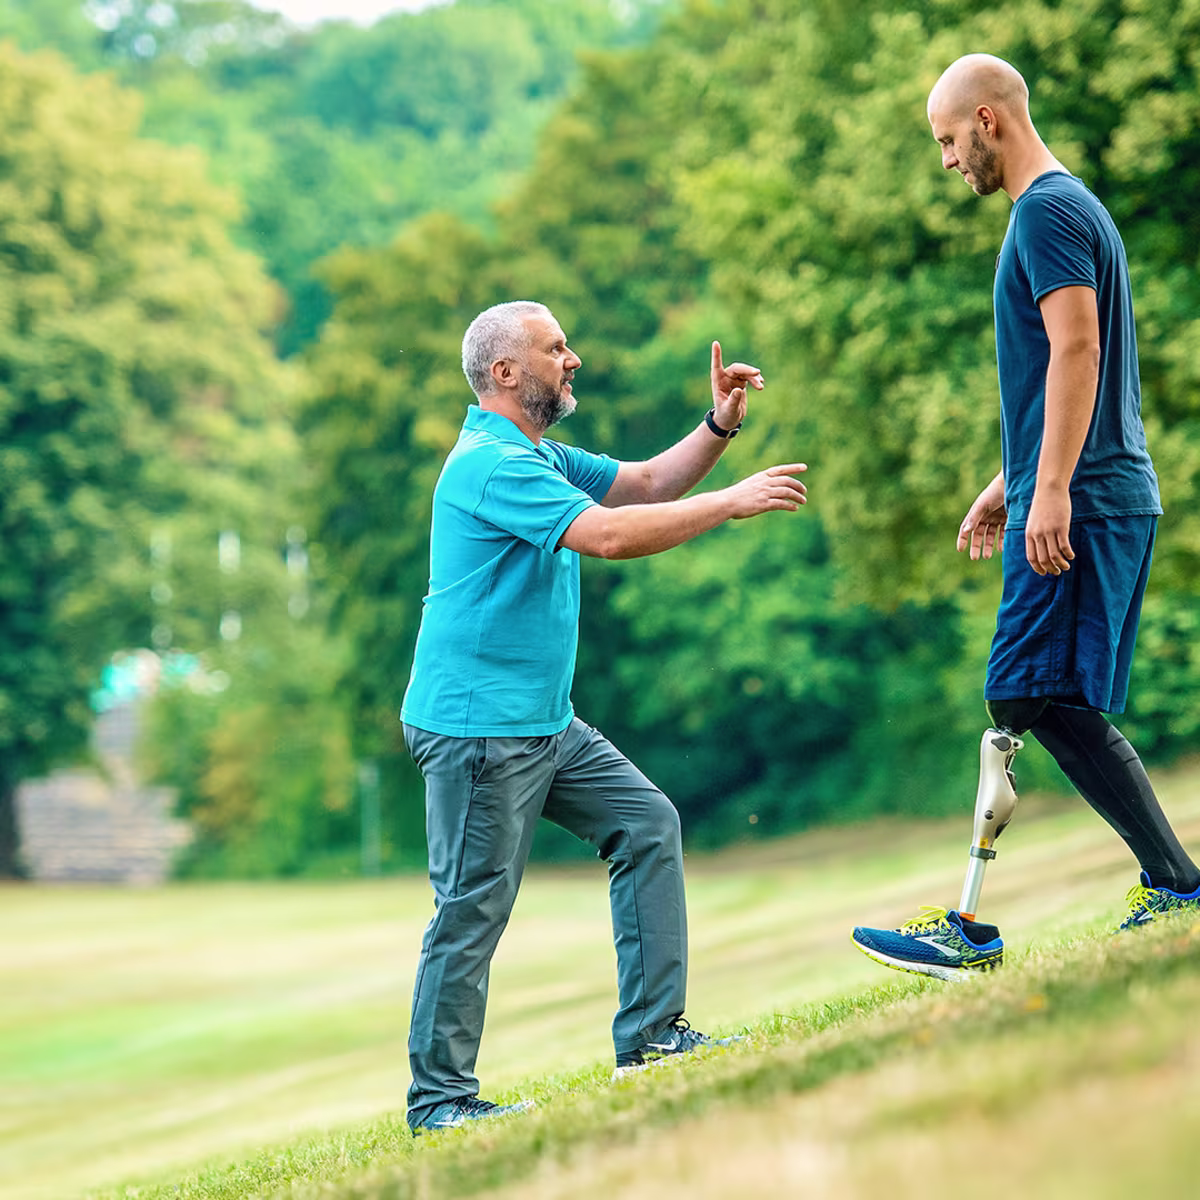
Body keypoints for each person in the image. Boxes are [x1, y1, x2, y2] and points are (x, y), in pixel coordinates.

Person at [400, 300, 808, 1132]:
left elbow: (648, 483)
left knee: (646, 823)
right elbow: (613, 536)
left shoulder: (539, 455)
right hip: (478, 729)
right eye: (556, 348)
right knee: (473, 903)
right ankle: (439, 1102)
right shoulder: (488, 464)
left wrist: (718, 425)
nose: (573, 358)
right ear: (506, 372)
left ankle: (654, 1038)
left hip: (543, 723)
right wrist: (730, 503)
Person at [852, 53, 1200, 980]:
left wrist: (1048, 490)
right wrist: (1012, 478)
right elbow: (1060, 372)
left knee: (1017, 691)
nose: (946, 162)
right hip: (1093, 486)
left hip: (1084, 498)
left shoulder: (1044, 212)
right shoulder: (1071, 207)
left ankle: (962, 927)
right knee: (1047, 697)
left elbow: (1078, 346)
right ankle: (1174, 879)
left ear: (988, 122)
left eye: (947, 141)